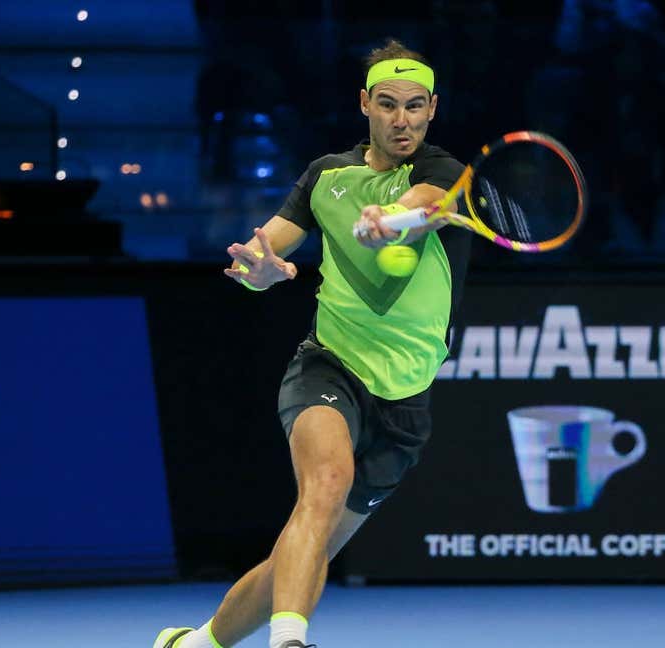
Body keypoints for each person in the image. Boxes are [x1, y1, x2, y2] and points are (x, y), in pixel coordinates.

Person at [154, 39, 470, 648]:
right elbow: (265, 248)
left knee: (301, 552)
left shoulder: (443, 172)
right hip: (330, 366)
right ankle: (290, 642)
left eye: (413, 106)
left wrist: (394, 220)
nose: (400, 120)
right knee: (324, 485)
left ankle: (196, 644)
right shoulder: (327, 177)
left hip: (406, 400)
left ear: (433, 108)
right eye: (387, 105)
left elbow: (425, 206)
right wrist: (259, 269)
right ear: (364, 105)